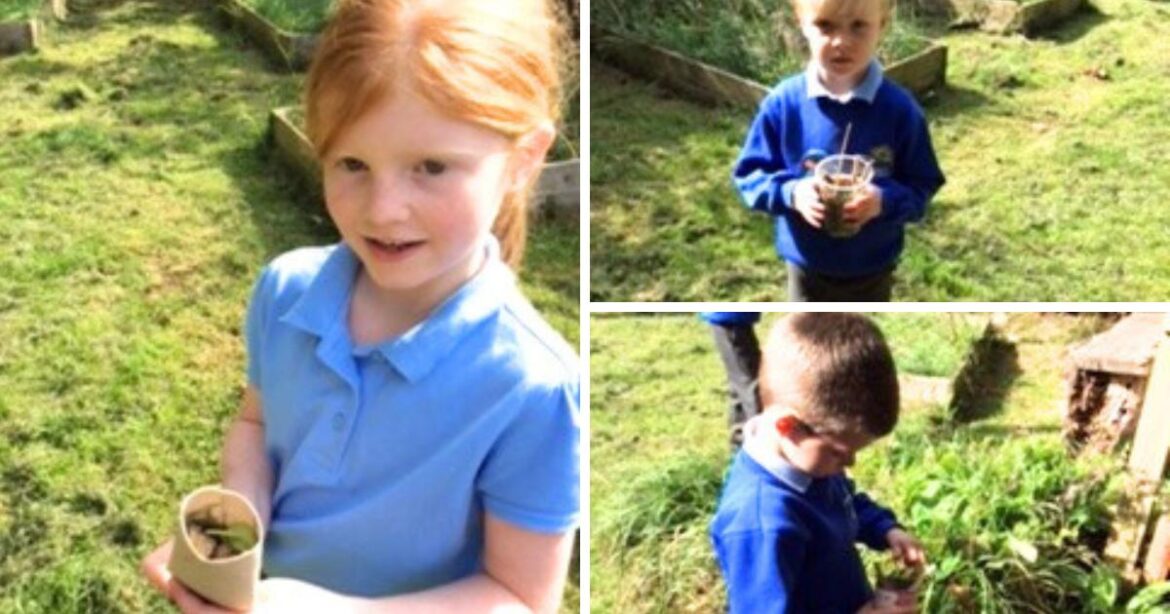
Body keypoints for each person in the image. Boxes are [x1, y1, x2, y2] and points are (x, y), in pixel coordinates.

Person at [141, 0, 579, 611]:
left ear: (524, 158)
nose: (382, 211)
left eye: (431, 167)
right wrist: (237, 534)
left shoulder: (532, 384)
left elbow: (521, 596)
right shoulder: (286, 290)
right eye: (352, 163)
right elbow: (256, 424)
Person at [710, 313, 925, 613]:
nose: (850, 463)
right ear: (788, 427)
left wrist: (887, 530)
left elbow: (844, 502)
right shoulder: (761, 523)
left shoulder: (811, 465)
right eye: (840, 451)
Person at [732, 0, 946, 301]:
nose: (841, 42)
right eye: (825, 26)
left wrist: (882, 201)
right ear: (802, 24)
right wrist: (792, 193)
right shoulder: (784, 104)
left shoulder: (900, 110)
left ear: (882, 25)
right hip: (806, 266)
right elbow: (750, 177)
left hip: (874, 268)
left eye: (858, 26)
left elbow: (923, 185)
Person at [699, 312, 763, 450]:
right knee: (746, 382)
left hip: (730, 318)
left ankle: (748, 442)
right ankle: (750, 441)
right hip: (729, 317)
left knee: (744, 382)